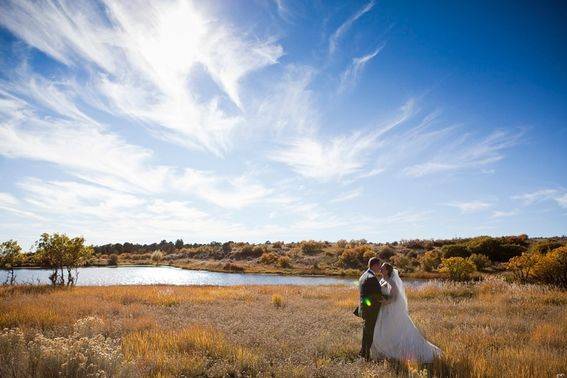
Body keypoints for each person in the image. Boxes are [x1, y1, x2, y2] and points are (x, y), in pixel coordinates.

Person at [370, 262, 442, 363]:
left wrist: (385, 302)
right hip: (383, 310)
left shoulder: (391, 281)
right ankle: (382, 350)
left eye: (382, 268)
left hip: (389, 309)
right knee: (382, 329)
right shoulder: (382, 280)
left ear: (387, 271)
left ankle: (395, 350)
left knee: (392, 330)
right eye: (380, 268)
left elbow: (395, 297)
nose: (380, 269)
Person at [357, 257, 384, 360]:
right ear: (375, 265)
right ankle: (366, 356)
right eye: (379, 265)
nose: (380, 268)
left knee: (366, 332)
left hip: (364, 309)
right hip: (370, 311)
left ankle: (363, 353)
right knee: (369, 333)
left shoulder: (363, 276)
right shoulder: (372, 278)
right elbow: (378, 296)